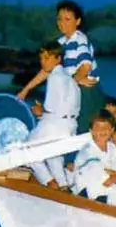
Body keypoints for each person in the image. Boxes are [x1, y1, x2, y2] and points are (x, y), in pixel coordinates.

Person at [17, 0, 106, 133]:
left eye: (67, 19)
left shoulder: (79, 40)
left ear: (78, 21)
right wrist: (26, 89)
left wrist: (72, 83)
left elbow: (85, 66)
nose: (62, 23)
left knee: (85, 133)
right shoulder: (61, 43)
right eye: (59, 19)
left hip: (86, 93)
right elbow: (47, 69)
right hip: (74, 91)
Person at [25, 42, 80, 189]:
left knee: (27, 151)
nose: (43, 62)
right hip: (70, 127)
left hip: (56, 125)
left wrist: (39, 110)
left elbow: (50, 107)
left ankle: (50, 184)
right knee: (53, 157)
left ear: (58, 59)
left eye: (47, 58)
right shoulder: (70, 79)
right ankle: (63, 185)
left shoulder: (55, 77)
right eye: (41, 58)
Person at [70, 111, 116, 202]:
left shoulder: (113, 148)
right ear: (91, 131)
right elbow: (106, 181)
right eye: (97, 127)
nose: (102, 130)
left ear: (112, 130)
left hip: (108, 194)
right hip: (86, 197)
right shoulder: (87, 151)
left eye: (106, 127)